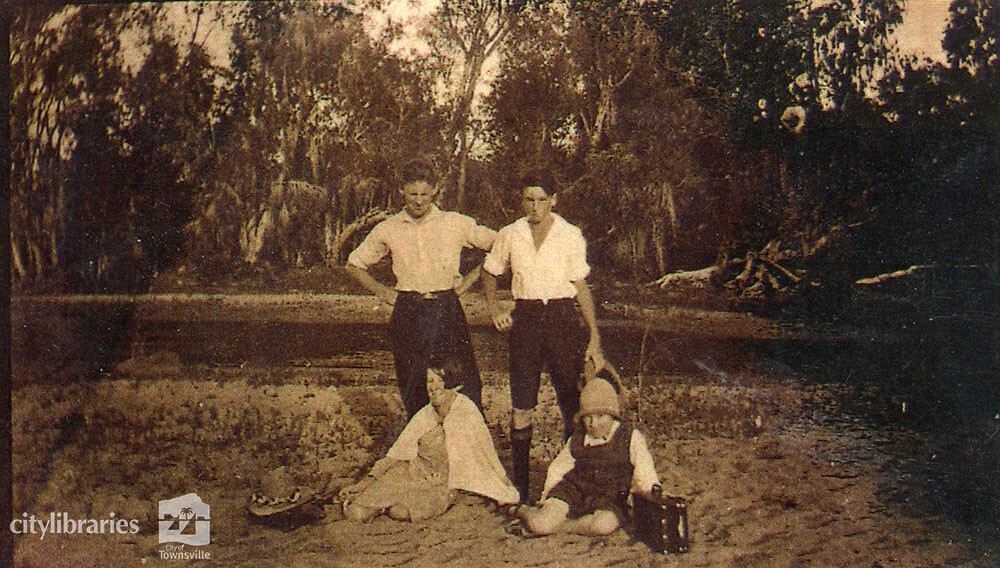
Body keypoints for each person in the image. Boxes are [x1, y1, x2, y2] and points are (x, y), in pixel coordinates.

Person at [481, 170, 605, 503]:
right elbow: (490, 272)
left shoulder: (570, 234)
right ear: (522, 201)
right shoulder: (510, 234)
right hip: (526, 319)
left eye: (541, 200)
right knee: (522, 404)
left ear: (554, 200)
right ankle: (520, 490)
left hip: (563, 319)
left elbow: (581, 287)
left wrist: (594, 335)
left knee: (571, 403)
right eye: (529, 200)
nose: (535, 208)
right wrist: (496, 310)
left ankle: (568, 483)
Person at [346, 159, 495, 417]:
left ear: (435, 190)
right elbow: (354, 264)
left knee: (463, 381)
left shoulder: (455, 222)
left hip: (446, 308)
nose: (418, 201)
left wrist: (472, 279)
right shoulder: (389, 228)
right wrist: (385, 294)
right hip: (408, 310)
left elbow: (500, 245)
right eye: (412, 194)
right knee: (413, 384)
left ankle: (466, 446)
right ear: (401, 191)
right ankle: (421, 446)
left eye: (424, 194)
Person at [339, 365, 520, 522]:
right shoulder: (426, 414)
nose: (432, 387)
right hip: (412, 473)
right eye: (429, 381)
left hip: (442, 484)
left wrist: (502, 487)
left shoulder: (466, 412)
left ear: (455, 385)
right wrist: (364, 483)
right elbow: (397, 453)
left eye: (439, 380)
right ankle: (378, 502)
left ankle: (391, 505)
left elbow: (486, 457)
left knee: (400, 512)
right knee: (357, 512)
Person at [513, 376, 660, 536]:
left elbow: (644, 471)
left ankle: (559, 528)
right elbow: (558, 468)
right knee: (540, 523)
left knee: (603, 526)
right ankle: (523, 511)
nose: (593, 424)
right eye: (588, 417)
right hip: (574, 491)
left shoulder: (629, 437)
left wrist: (650, 494)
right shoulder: (578, 438)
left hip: (609, 497)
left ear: (613, 415)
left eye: (600, 416)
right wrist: (545, 497)